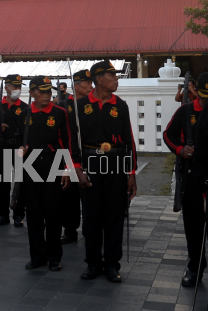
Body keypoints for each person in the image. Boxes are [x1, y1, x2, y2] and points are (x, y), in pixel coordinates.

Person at [75, 60, 137, 283]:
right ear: (99, 79)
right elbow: (74, 142)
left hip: (115, 166)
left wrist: (131, 174)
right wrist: (76, 169)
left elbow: (129, 141)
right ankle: (93, 264)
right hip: (90, 165)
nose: (116, 80)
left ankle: (112, 264)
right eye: (113, 76)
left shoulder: (120, 105)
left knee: (114, 217)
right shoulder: (80, 106)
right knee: (91, 217)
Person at [22, 76, 74, 272]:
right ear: (32, 93)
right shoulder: (25, 114)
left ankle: (54, 257)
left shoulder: (60, 113)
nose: (46, 95)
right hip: (31, 163)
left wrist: (67, 169)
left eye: (48, 91)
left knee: (53, 212)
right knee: (34, 213)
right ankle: (37, 256)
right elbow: (18, 143)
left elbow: (68, 142)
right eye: (42, 91)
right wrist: (21, 151)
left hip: (54, 162)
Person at [164, 72, 208, 287]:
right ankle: (196, 267)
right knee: (193, 225)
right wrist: (180, 150)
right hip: (192, 176)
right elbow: (167, 135)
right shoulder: (185, 111)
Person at [58, 69, 93, 243]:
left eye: (91, 82)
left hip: (87, 155)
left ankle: (90, 230)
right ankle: (70, 230)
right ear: (77, 85)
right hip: (68, 155)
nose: (90, 86)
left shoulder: (92, 105)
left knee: (89, 195)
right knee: (69, 196)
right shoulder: (65, 104)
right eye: (86, 83)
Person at [0, 74, 29, 227]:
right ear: (6, 87)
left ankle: (18, 214)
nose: (17, 89)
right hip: (3, 145)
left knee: (20, 181)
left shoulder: (25, 108)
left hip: (18, 147)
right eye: (14, 86)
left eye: (19, 86)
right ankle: (3, 214)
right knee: (3, 182)